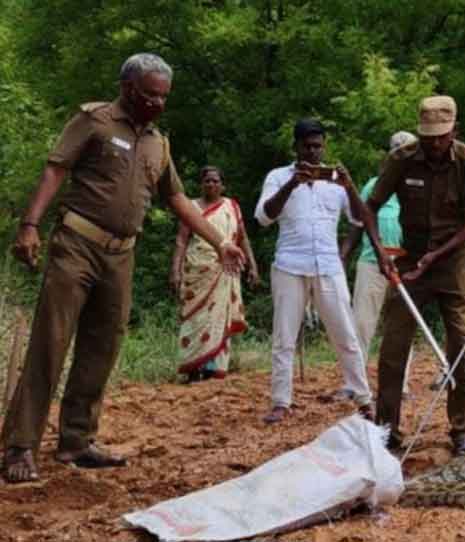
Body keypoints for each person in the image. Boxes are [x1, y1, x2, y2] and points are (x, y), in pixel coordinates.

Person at [2, 53, 244, 483]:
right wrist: (30, 224)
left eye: (164, 97)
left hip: (122, 256)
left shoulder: (158, 143)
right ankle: (20, 445)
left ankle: (76, 441)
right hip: (76, 245)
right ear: (129, 88)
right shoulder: (94, 121)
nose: (159, 104)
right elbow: (56, 169)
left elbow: (177, 199)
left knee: (103, 345)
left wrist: (221, 241)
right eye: (151, 95)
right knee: (51, 342)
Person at [357, 96, 465, 456]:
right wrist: (381, 250)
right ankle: (387, 429)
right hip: (412, 261)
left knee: (462, 344)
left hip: (454, 260)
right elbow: (368, 207)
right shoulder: (401, 159)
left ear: (454, 132)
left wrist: (439, 255)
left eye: (440, 137)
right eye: (427, 136)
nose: (432, 144)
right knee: (393, 346)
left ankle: (464, 430)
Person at [254, 118, 374, 424]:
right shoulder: (278, 177)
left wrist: (350, 186)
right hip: (289, 265)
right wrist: (293, 183)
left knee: (345, 334)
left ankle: (363, 398)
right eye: (307, 146)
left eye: (318, 146)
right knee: (284, 336)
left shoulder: (335, 181)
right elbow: (263, 217)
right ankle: (281, 401)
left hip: (328, 265)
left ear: (324, 147)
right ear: (296, 147)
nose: (313, 153)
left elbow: (361, 219)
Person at [339, 131, 417, 400]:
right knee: (361, 324)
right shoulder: (374, 185)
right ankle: (354, 385)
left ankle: (401, 385)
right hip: (372, 263)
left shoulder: (418, 185)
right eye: (398, 151)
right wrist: (344, 253)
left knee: (402, 327)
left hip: (406, 266)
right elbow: (358, 222)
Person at [170, 166, 260, 382]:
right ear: (201, 184)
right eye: (207, 181)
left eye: (215, 181)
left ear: (222, 185)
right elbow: (182, 240)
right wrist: (175, 270)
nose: (211, 184)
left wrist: (253, 266)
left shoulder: (232, 206)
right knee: (195, 319)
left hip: (226, 269)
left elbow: (243, 238)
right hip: (197, 270)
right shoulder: (190, 207)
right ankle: (193, 369)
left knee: (219, 319)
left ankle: (213, 370)